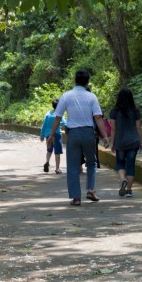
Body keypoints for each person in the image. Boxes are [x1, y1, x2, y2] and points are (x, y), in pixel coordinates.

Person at [47, 70, 109, 206]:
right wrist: (105, 136)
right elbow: (98, 117)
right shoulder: (92, 97)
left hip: (73, 134)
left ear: (75, 80)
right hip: (88, 133)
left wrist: (51, 135)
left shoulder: (66, 96)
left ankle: (76, 197)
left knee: (73, 166)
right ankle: (91, 190)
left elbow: (58, 117)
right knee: (91, 162)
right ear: (87, 82)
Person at [109, 88, 142, 198]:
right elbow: (138, 127)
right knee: (131, 165)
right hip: (133, 141)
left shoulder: (114, 112)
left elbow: (113, 129)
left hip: (120, 142)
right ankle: (129, 191)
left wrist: (112, 143)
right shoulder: (135, 111)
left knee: (120, 163)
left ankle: (123, 179)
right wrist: (140, 142)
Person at [40, 99, 66, 174]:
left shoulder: (48, 114)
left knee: (49, 150)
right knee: (57, 152)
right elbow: (64, 123)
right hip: (56, 134)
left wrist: (42, 135)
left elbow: (44, 125)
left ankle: (47, 162)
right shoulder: (59, 115)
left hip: (48, 135)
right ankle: (57, 168)